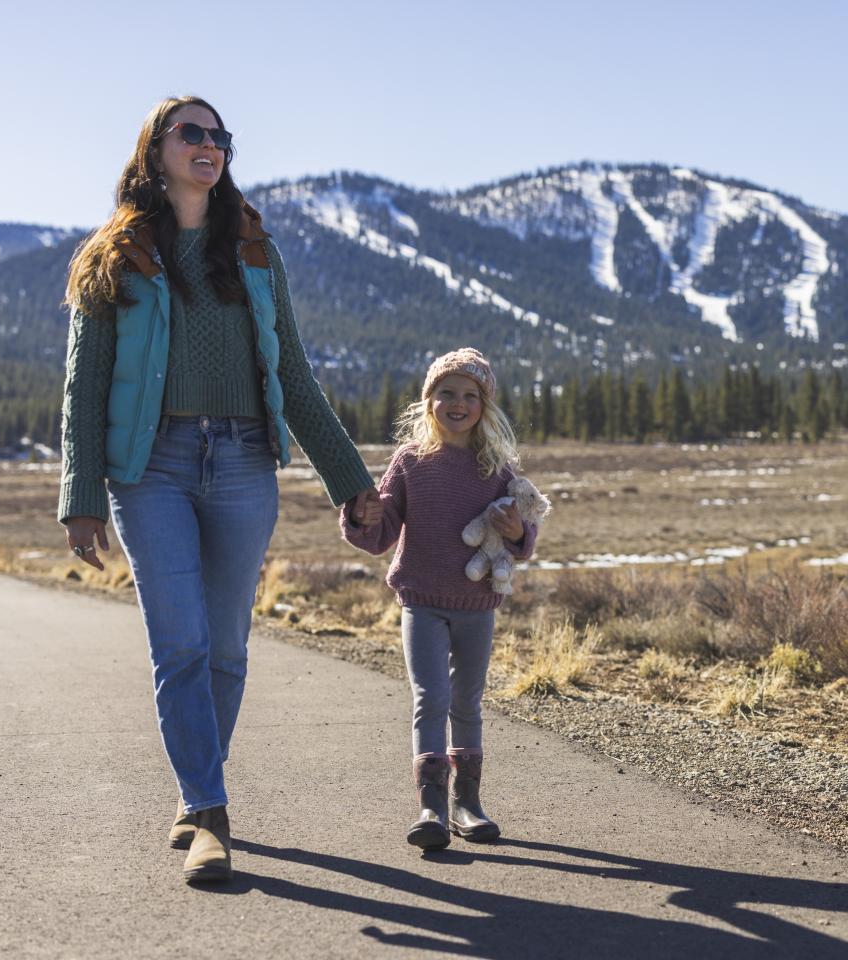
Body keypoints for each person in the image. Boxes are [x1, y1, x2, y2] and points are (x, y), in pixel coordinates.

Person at [57, 95, 378, 883]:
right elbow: (85, 384)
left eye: (219, 137)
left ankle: (198, 790)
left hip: (240, 462)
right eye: (191, 133)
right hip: (151, 467)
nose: (209, 145)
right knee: (183, 644)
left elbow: (292, 375)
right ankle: (211, 814)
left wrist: (350, 481)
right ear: (154, 150)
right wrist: (81, 496)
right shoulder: (114, 254)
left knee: (229, 649)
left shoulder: (255, 251)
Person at [340, 348, 538, 850]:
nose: (457, 403)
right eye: (446, 393)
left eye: (469, 395)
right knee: (431, 698)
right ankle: (430, 805)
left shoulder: (497, 466)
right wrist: (360, 516)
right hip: (421, 600)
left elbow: (523, 537)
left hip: (477, 604)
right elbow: (381, 531)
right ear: (428, 401)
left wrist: (517, 532)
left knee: (467, 701)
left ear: (484, 405)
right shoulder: (410, 462)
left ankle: (467, 805)